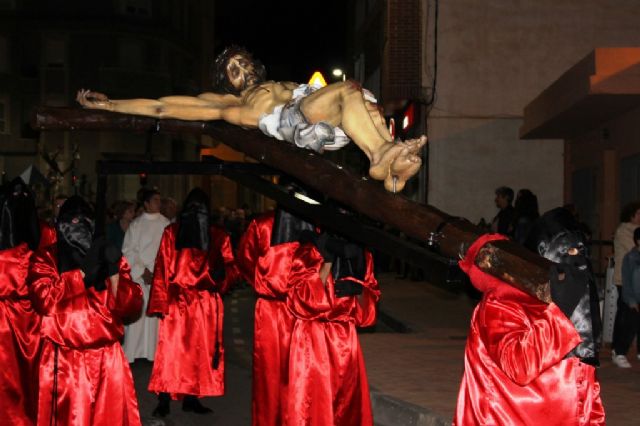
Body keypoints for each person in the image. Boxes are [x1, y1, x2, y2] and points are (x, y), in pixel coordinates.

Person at [76, 46, 426, 193]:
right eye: (233, 69)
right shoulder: (229, 103)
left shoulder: (278, 83)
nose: (242, 69)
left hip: (324, 122)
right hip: (294, 123)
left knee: (362, 98)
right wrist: (111, 105)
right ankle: (382, 156)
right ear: (225, 82)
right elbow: (162, 107)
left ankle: (391, 170)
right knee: (347, 90)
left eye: (243, 62)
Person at [454, 230, 605, 425]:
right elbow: (519, 365)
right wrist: (560, 312)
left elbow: (583, 375)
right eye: (567, 251)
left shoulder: (557, 301)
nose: (578, 262)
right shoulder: (499, 305)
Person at [29, 196, 144, 426]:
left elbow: (131, 306)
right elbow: (44, 299)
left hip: (106, 356)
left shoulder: (106, 252)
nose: (77, 227)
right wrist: (82, 273)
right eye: (71, 222)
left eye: (83, 221)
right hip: (65, 359)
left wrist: (113, 271)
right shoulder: (46, 258)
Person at [147, 188, 240, 417]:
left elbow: (232, 267)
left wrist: (223, 276)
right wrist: (159, 303)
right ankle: (164, 397)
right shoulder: (172, 233)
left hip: (205, 303)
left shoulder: (219, 236)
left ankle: (192, 396)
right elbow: (162, 267)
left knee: (199, 352)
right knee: (171, 352)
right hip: (178, 301)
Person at [236, 181, 316, 426]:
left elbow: (245, 260)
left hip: (276, 309)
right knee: (300, 370)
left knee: (272, 374)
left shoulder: (261, 224)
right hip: (301, 309)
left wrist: (263, 282)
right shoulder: (314, 225)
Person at [285, 229, 380, 425]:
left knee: (346, 403)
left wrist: (359, 290)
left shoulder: (362, 255)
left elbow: (367, 314)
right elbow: (302, 302)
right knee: (313, 405)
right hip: (312, 339)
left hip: (344, 339)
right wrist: (327, 263)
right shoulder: (307, 253)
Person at [0, 178, 42, 426]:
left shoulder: (28, 255)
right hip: (22, 319)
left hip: (20, 318)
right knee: (21, 371)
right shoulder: (30, 256)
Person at [122, 188, 170, 362]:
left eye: (159, 200)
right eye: (155, 200)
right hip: (142, 275)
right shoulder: (136, 225)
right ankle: (134, 352)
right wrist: (142, 271)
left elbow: (169, 250)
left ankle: (153, 352)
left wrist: (159, 270)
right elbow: (129, 250)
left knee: (156, 316)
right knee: (140, 312)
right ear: (147, 204)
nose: (159, 203)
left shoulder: (166, 224)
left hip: (160, 274)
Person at [611, 201, 640, 368]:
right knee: (626, 315)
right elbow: (633, 248)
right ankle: (618, 350)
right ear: (631, 215)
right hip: (625, 279)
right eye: (639, 213)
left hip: (637, 279)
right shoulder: (624, 230)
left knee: (633, 315)